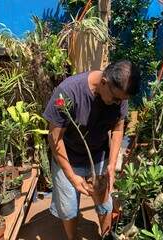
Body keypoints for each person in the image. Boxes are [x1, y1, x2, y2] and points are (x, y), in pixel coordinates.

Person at [43, 60, 141, 240]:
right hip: (67, 156)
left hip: (98, 156)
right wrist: (72, 176)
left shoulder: (119, 95)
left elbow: (118, 128)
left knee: (104, 204)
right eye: (117, 98)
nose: (119, 103)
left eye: (123, 100)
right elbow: (54, 137)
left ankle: (106, 236)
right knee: (69, 208)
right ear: (104, 82)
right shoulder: (69, 92)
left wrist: (112, 164)